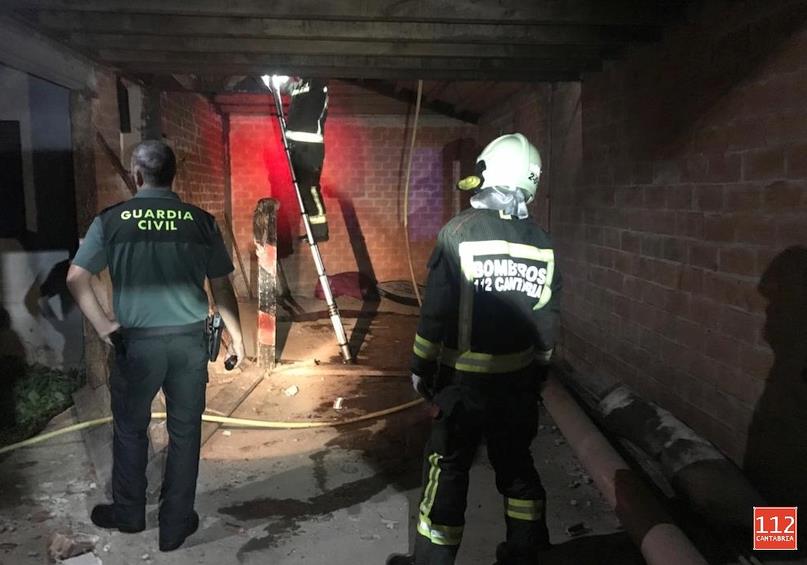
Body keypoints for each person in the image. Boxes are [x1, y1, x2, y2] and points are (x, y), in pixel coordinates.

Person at [387, 133, 562, 565]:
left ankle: (433, 561)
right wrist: (539, 371)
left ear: (489, 176)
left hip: (462, 386)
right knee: (517, 468)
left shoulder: (458, 234)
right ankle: (527, 552)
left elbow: (436, 313)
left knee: (447, 470)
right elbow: (547, 319)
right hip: (516, 386)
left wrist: (419, 367)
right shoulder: (543, 243)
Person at [66, 140, 245, 551]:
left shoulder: (112, 220)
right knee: (185, 433)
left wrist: (104, 327)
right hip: (188, 345)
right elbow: (222, 286)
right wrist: (238, 339)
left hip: (136, 345)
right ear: (172, 174)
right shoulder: (200, 221)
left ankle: (129, 515)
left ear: (136, 174)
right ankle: (175, 525)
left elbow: (77, 277)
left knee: (130, 430)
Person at [278, 76, 330, 243]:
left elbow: (316, 82)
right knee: (301, 190)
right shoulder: (299, 86)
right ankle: (313, 229)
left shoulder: (317, 82)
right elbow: (283, 85)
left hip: (310, 146)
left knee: (310, 188)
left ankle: (320, 231)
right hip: (295, 145)